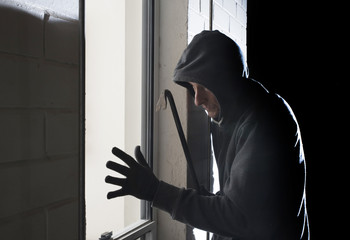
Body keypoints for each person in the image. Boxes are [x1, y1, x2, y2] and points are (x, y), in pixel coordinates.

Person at [105, 30, 310, 240]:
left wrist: (156, 192)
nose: (197, 100)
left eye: (203, 87)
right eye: (193, 88)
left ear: (226, 82)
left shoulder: (266, 122)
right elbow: (244, 198)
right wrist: (206, 200)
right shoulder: (228, 118)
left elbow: (239, 216)